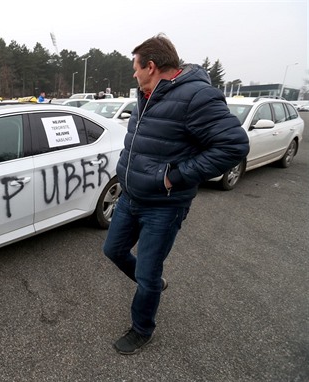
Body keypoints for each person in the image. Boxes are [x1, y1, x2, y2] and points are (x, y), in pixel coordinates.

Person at [102, 34, 249, 355]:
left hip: (163, 207)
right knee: (112, 250)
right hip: (130, 197)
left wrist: (175, 177)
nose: (133, 74)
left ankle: (142, 327)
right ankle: (152, 283)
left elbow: (234, 145)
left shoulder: (196, 96)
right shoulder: (148, 93)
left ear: (151, 66)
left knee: (147, 273)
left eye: (135, 68)